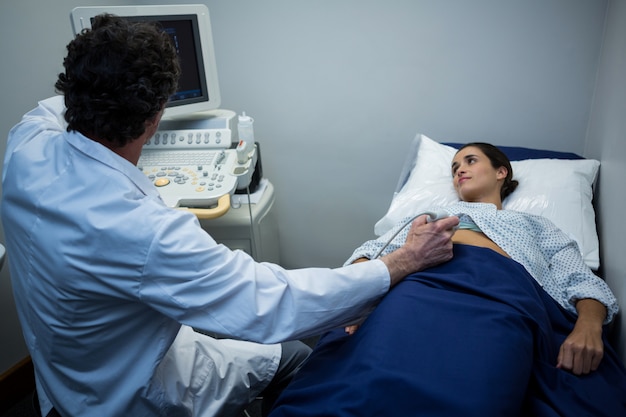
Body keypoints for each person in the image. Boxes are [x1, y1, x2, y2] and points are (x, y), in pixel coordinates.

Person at [0, 14, 458, 417]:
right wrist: (402, 261)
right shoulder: (142, 229)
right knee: (296, 355)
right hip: (127, 396)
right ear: (155, 116)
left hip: (66, 373)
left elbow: (58, 105)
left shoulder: (27, 142)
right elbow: (271, 303)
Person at [268, 143, 626, 416]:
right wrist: (353, 294)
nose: (459, 171)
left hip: (502, 297)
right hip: (420, 285)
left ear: (502, 172)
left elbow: (580, 279)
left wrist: (589, 327)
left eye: (470, 161)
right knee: (375, 366)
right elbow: (374, 250)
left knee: (479, 381)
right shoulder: (428, 217)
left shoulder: (536, 225)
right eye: (454, 167)